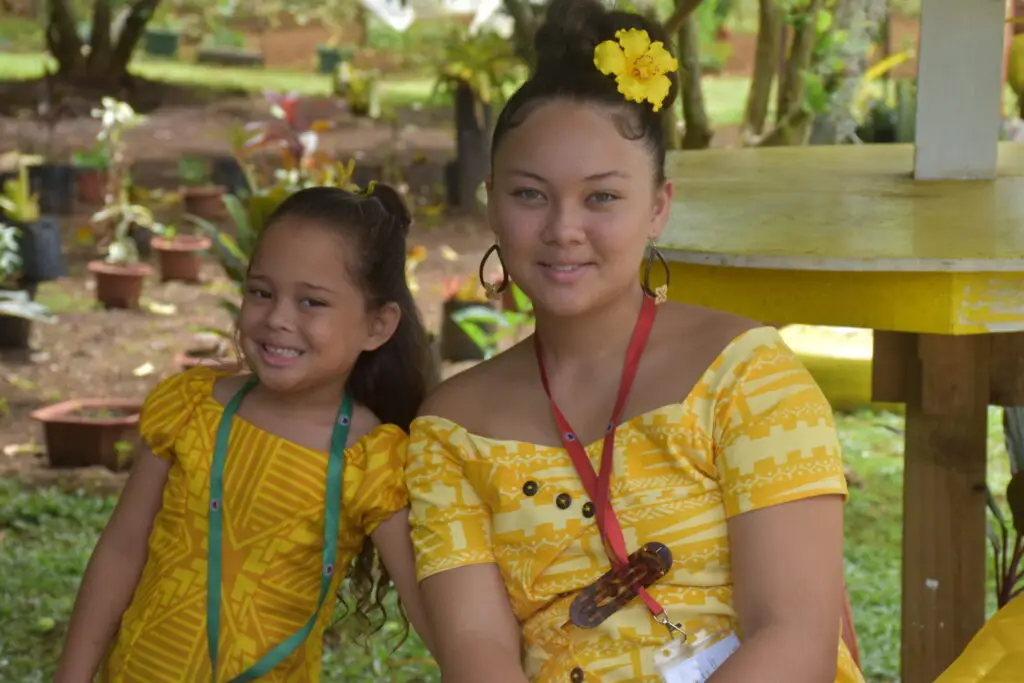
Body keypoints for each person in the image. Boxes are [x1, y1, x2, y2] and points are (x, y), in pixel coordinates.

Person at [404, 0, 863, 681]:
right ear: (492, 200)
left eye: (602, 197)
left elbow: (794, 639)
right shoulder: (450, 431)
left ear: (657, 207)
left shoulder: (746, 376)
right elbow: (479, 651)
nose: (563, 228)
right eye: (530, 195)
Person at [55, 184, 436, 682]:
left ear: (377, 326)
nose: (277, 319)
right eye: (261, 292)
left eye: (311, 302)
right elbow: (121, 551)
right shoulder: (193, 408)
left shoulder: (370, 458)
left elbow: (436, 614)